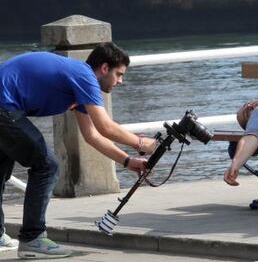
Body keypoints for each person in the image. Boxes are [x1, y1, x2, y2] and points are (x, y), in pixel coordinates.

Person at [0, 42, 158, 259]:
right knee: (46, 165)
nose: (121, 81)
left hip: (6, 104)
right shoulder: (84, 76)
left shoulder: (77, 78)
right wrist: (141, 143)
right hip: (4, 107)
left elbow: (92, 135)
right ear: (104, 68)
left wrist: (128, 162)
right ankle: (32, 239)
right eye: (119, 74)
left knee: (2, 168)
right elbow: (106, 127)